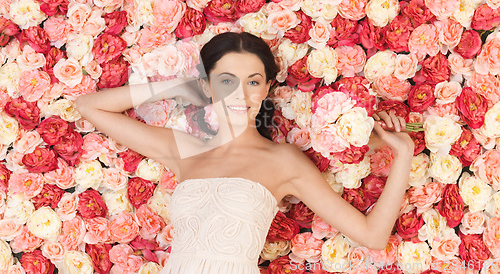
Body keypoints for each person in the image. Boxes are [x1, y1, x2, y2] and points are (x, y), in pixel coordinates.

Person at [75, 32, 415, 274]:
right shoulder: (183, 150)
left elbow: (372, 235)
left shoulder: (283, 161)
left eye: (252, 81)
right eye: (226, 81)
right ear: (206, 86)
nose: (240, 94)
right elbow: (90, 107)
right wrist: (175, 87)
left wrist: (404, 153)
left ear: (266, 87)